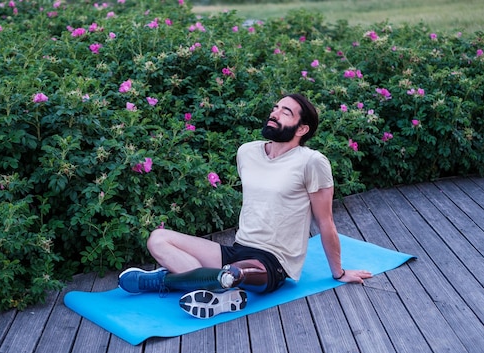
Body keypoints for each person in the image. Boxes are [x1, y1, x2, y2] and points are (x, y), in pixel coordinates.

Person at [118, 93, 372, 318]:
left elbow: (325, 220)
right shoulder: (247, 152)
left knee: (232, 273)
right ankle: (213, 289)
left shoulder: (312, 162)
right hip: (239, 248)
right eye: (275, 108)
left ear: (302, 129)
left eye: (286, 112)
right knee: (158, 238)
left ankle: (169, 280)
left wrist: (338, 273)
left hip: (274, 261)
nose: (274, 113)